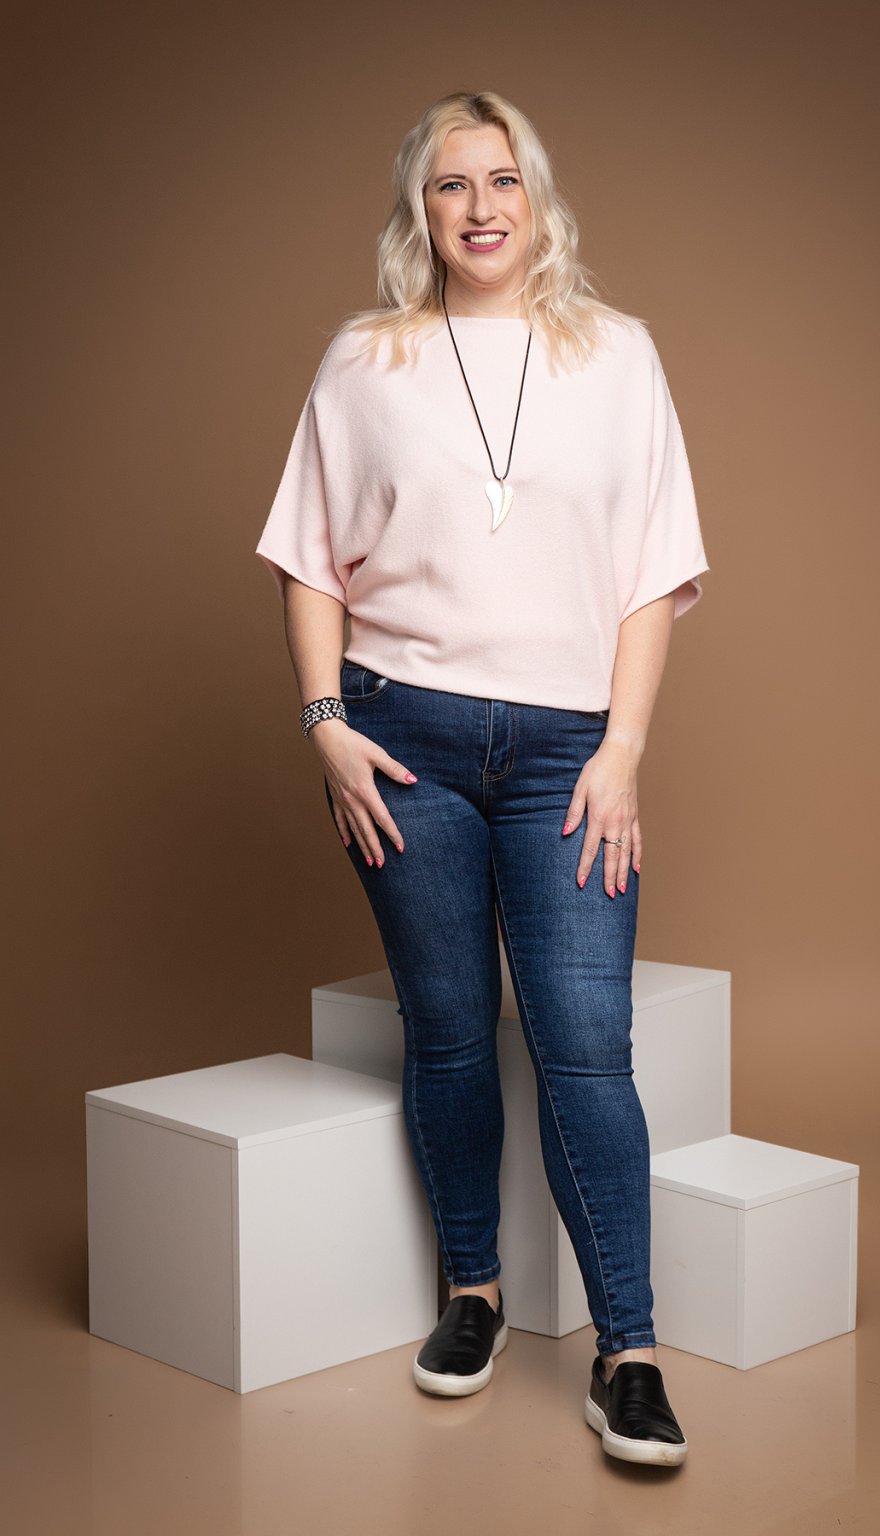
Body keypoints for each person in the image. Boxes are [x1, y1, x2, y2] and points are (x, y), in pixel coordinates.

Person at [254, 90, 709, 1469]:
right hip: (404, 741)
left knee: (584, 1045)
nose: (481, 207)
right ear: (422, 209)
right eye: (452, 185)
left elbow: (651, 572)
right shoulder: (366, 357)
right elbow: (311, 558)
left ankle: (629, 1352)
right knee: (448, 1032)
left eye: (502, 179)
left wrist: (623, 749)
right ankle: (475, 1294)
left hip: (572, 750)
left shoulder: (618, 355)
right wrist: (325, 723)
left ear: (536, 195)